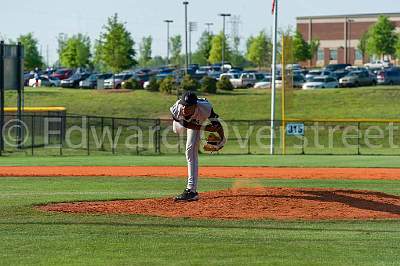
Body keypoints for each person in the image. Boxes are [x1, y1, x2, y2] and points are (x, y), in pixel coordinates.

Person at [170, 91, 226, 202]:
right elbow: (186, 124)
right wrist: (206, 128)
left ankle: (191, 191)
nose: (185, 108)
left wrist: (221, 141)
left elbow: (217, 125)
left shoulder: (205, 108)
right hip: (184, 124)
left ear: (195, 106)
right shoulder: (177, 109)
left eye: (188, 106)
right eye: (184, 105)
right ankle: (191, 191)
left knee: (190, 151)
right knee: (178, 130)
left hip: (198, 120)